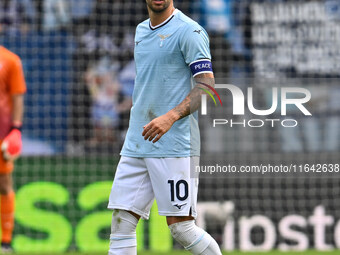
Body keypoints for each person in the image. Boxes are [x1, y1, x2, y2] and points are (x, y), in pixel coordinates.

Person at [107, 0, 222, 254]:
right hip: (138, 142)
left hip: (175, 145)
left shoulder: (190, 32)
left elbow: (207, 87)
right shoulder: (140, 31)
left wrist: (170, 117)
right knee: (121, 223)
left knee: (182, 228)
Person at [0, 46, 26, 253]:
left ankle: (6, 241)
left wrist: (16, 129)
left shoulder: (10, 60)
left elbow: (17, 95)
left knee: (3, 183)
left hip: (1, 133)